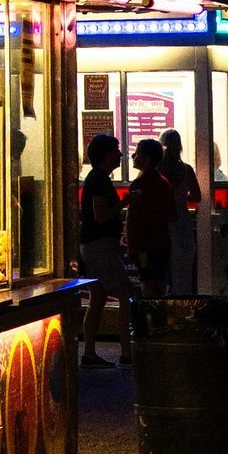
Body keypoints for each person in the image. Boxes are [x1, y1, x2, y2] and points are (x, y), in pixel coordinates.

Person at [76, 134, 132, 367]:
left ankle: (89, 354)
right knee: (126, 293)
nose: (120, 154)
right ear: (106, 154)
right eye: (116, 150)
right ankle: (126, 352)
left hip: (92, 245)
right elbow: (101, 216)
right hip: (99, 246)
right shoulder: (99, 179)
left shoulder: (96, 178)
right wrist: (125, 201)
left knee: (97, 299)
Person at [124, 139, 176, 293]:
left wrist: (131, 244)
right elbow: (172, 215)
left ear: (146, 159)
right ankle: (158, 314)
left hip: (144, 246)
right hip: (162, 244)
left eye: (137, 153)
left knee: (147, 284)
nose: (133, 156)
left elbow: (132, 218)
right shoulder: (164, 183)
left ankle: (150, 314)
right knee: (158, 285)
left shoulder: (139, 184)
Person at [159, 128, 201, 297]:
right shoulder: (186, 169)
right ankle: (183, 305)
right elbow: (197, 196)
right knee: (182, 269)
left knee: (162, 269)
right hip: (181, 220)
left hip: (162, 222)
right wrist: (182, 196)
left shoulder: (157, 171)